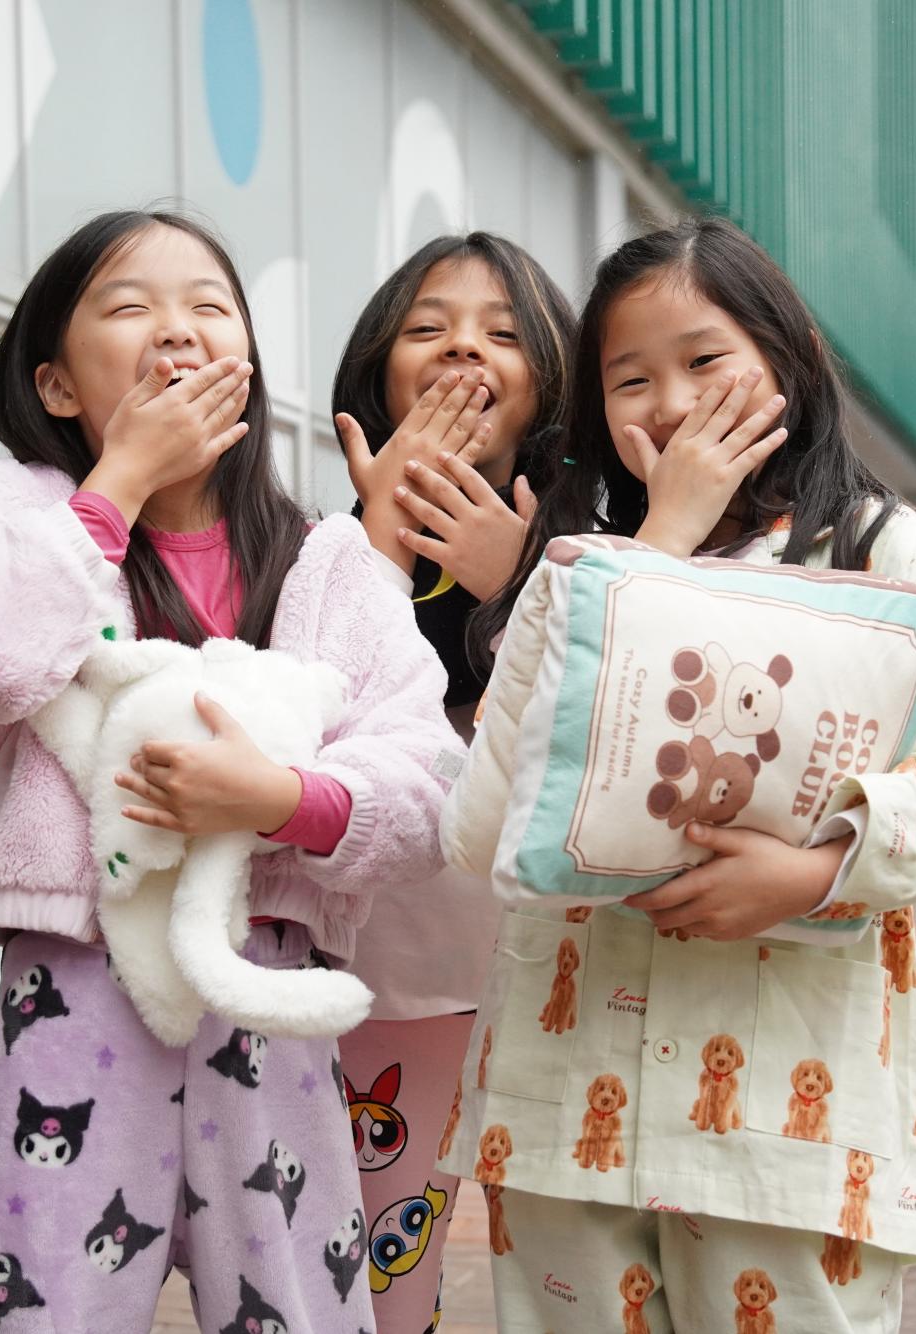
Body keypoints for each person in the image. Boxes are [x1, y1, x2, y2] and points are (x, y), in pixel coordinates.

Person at [436, 217, 916, 1332]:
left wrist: (814, 871)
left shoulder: (870, 547)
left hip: (785, 1121)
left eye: (704, 360)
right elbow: (485, 823)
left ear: (787, 358)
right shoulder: (577, 568)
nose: (669, 400)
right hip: (565, 1111)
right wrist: (661, 537)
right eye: (631, 377)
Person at [0, 209, 462, 1333]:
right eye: (129, 306)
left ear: (245, 362)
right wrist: (112, 489)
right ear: (57, 384)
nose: (177, 331)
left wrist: (281, 801)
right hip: (73, 983)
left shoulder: (322, 560)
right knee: (48, 1301)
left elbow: (427, 779)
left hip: (268, 984)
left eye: (209, 306)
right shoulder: (2, 518)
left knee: (299, 1305)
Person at [331, 231, 576, 1329]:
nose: (463, 350)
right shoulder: (326, 550)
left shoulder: (605, 544)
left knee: (577, 1279)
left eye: (503, 332)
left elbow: (617, 728)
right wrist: (382, 536)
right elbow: (306, 711)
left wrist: (517, 579)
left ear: (554, 378)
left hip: (565, 983)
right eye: (428, 328)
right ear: (379, 369)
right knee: (388, 1285)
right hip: (398, 978)